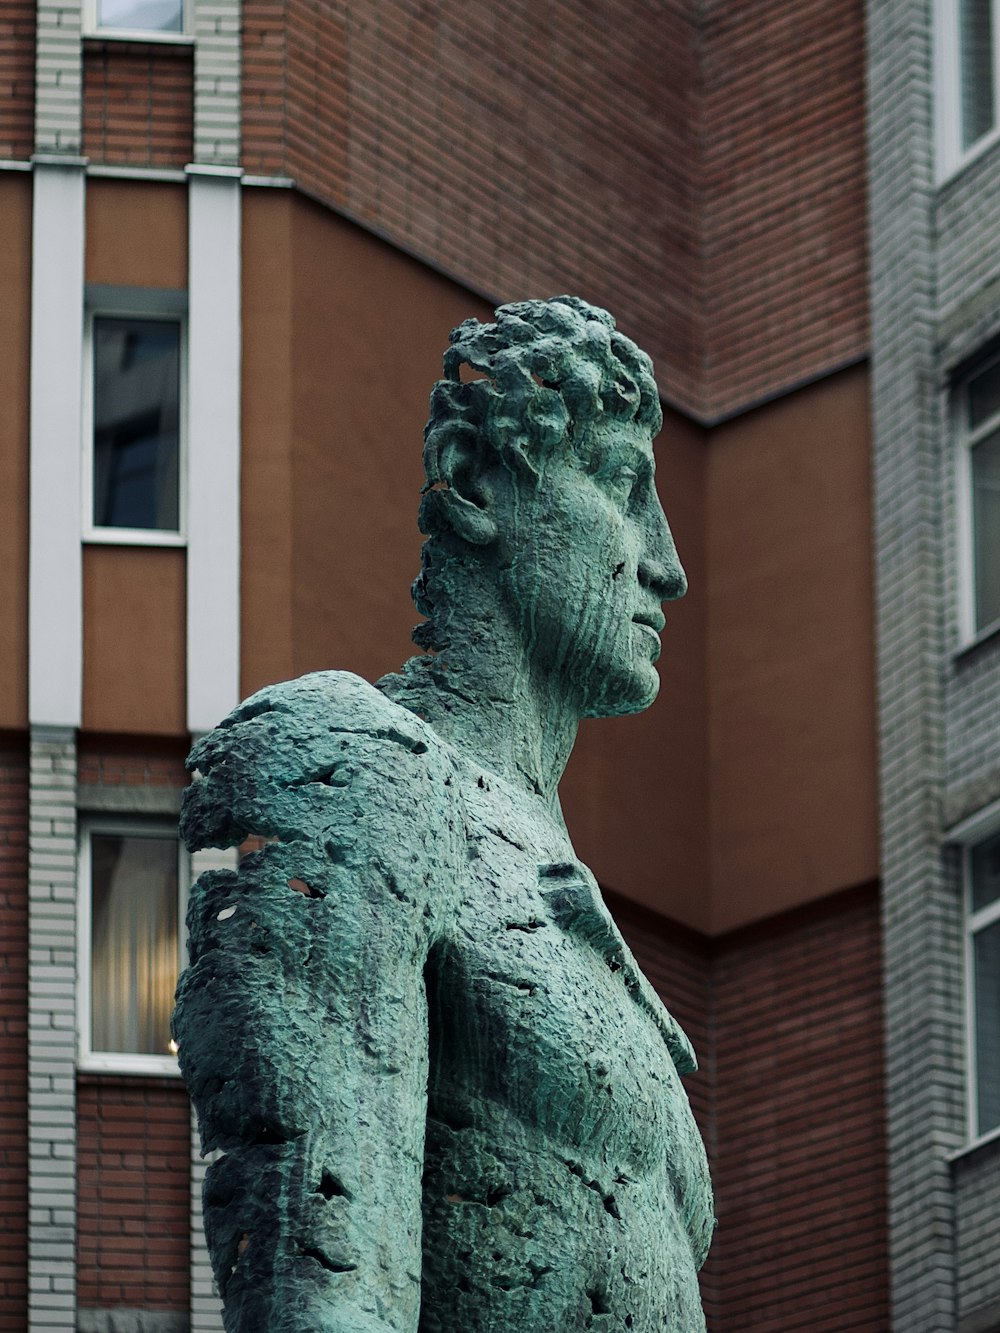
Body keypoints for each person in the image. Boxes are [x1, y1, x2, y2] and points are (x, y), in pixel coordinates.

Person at [174, 296, 715, 1332]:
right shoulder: (357, 764)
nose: (667, 563)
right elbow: (323, 1286)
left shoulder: (569, 893)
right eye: (616, 482)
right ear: (473, 480)